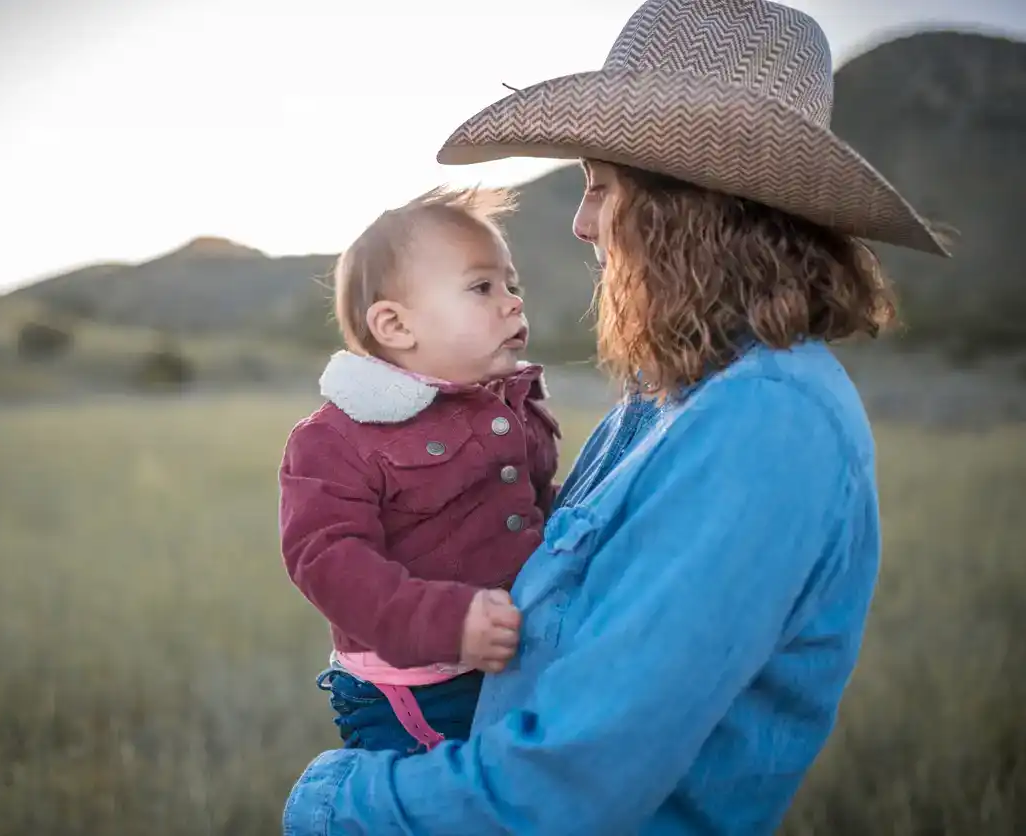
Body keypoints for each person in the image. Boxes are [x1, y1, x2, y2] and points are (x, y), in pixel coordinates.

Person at [280, 0, 953, 832]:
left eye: (601, 186)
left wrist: (327, 801)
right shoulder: (670, 396)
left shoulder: (765, 425)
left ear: (686, 205)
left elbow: (561, 789)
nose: (580, 222)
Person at [278, 186, 563, 754]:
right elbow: (328, 561)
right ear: (395, 326)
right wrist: (448, 624)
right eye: (481, 287)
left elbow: (530, 504)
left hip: (511, 651)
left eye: (511, 286)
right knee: (448, 796)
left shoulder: (506, 405)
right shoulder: (337, 438)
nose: (512, 302)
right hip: (415, 690)